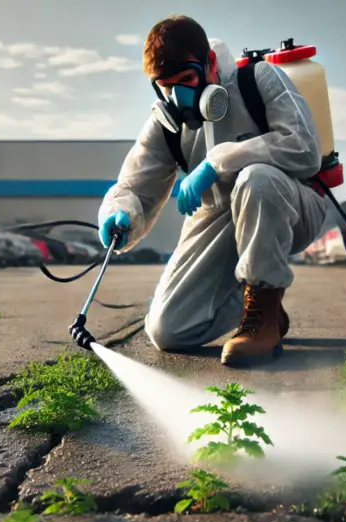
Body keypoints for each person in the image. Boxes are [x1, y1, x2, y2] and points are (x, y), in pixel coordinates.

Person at [97, 14, 328, 366]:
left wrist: (217, 162)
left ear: (211, 63)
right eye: (167, 86)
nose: (181, 97)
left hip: (290, 201)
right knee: (168, 331)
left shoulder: (258, 79)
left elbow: (304, 148)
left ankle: (261, 318)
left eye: (188, 79)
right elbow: (135, 183)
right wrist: (121, 211)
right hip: (220, 217)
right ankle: (265, 306)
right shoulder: (167, 125)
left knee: (256, 178)